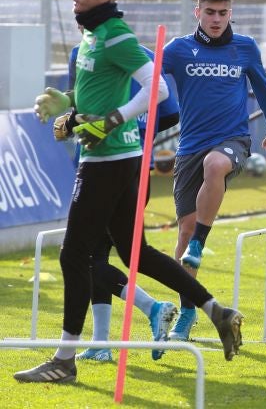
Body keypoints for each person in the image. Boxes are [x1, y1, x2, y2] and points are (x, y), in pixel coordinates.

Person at [17, 0, 243, 384]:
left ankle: (64, 360)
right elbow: (94, 98)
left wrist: (112, 121)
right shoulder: (92, 36)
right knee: (132, 250)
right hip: (116, 161)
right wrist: (68, 107)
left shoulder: (115, 35)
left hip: (108, 162)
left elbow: (156, 89)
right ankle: (218, 311)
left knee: (73, 255)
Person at [162, 0, 266, 342]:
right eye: (210, 12)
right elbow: (149, 79)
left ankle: (201, 241)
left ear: (231, 13)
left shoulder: (244, 47)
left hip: (233, 140)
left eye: (223, 12)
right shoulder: (177, 50)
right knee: (182, 231)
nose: (216, 19)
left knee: (215, 166)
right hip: (189, 147)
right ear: (197, 12)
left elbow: (262, 87)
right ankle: (186, 312)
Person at [56, 37, 183, 363]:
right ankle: (100, 343)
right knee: (96, 256)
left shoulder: (86, 54)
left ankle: (152, 308)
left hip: (106, 170)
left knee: (84, 258)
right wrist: (140, 132)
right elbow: (169, 112)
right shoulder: (135, 53)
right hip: (131, 167)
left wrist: (81, 124)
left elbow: (84, 110)